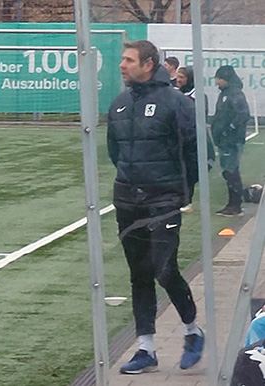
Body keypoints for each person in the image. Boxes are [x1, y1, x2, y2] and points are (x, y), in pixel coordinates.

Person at [107, 40, 204, 374]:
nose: (122, 65)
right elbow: (114, 152)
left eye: (129, 60)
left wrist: (183, 191)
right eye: (122, 59)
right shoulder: (119, 104)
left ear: (148, 64)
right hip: (127, 201)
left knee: (165, 269)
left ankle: (192, 331)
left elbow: (194, 151)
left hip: (165, 200)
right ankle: (146, 348)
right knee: (139, 275)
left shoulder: (176, 103)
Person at [175, 66, 216, 213]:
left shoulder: (198, 95)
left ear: (190, 79)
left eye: (182, 77)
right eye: (178, 77)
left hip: (193, 140)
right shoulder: (175, 94)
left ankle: (187, 201)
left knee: (190, 171)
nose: (178, 80)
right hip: (178, 140)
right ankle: (180, 199)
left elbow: (199, 118)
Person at [211, 65, 251, 217]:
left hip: (231, 141)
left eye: (219, 78)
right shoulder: (226, 93)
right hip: (225, 140)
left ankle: (235, 205)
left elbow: (243, 115)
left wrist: (229, 129)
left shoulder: (234, 94)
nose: (216, 82)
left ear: (225, 79)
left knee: (231, 171)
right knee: (228, 170)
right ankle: (234, 203)